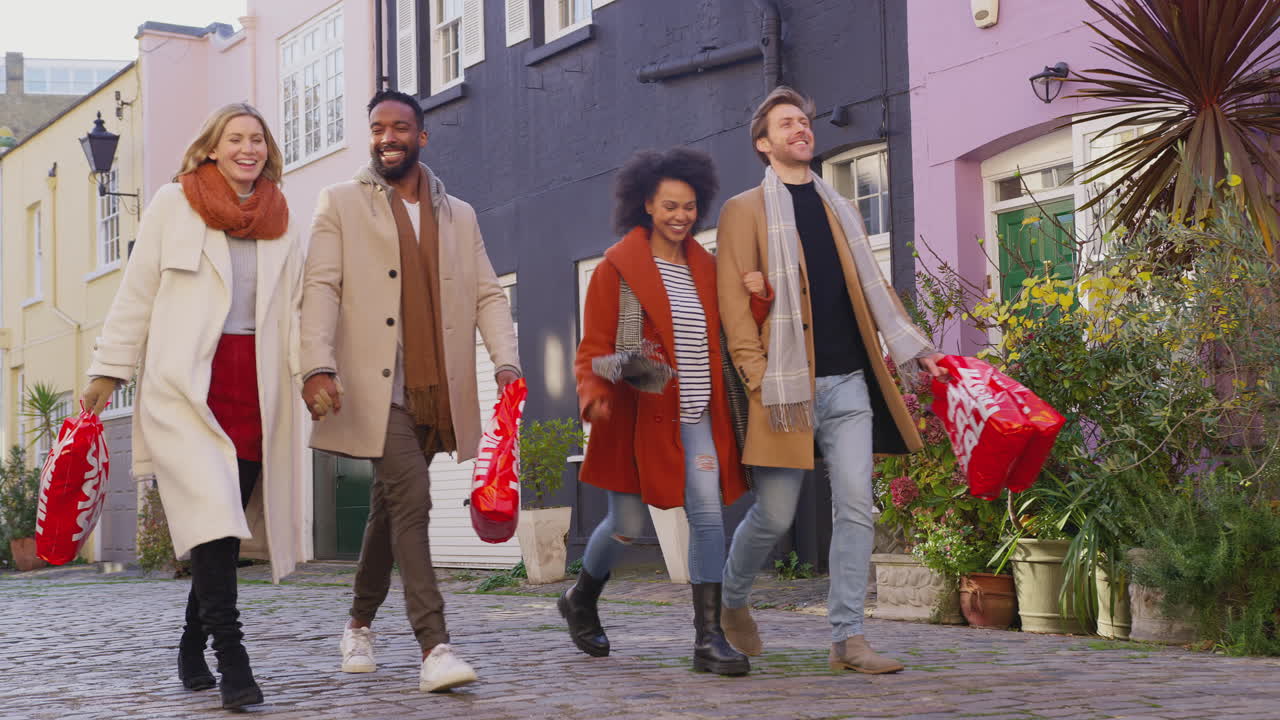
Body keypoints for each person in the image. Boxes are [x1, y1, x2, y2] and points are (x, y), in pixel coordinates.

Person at [81, 103, 307, 710]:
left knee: (221, 533)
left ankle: (189, 645)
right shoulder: (172, 204)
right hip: (186, 388)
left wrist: (315, 371)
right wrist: (107, 371)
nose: (248, 148)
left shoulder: (283, 216)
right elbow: (137, 293)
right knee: (211, 518)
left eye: (257, 139)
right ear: (212, 147)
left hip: (255, 388)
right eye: (236, 138)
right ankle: (234, 662)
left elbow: (300, 311)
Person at [716, 86, 946, 675]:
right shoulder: (744, 210)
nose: (801, 129)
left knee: (856, 508)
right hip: (783, 388)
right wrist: (758, 378)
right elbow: (735, 309)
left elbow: (874, 286)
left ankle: (848, 638)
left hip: (848, 383)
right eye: (786, 124)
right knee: (774, 516)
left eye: (804, 121)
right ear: (763, 143)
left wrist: (918, 352)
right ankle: (731, 600)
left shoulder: (839, 205)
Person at [300, 89, 520, 693]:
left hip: (436, 388)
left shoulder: (460, 214)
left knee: (388, 507)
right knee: (414, 498)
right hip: (373, 388)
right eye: (377, 128)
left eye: (399, 127)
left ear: (421, 137)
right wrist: (315, 364)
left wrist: (505, 361)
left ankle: (358, 625)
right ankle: (435, 646)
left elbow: (486, 292)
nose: (387, 137)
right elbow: (319, 287)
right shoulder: (341, 202)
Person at [564, 147, 751, 676]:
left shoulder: (707, 267)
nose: (681, 216)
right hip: (636, 420)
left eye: (689, 206)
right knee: (626, 524)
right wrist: (592, 393)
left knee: (708, 517)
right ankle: (581, 598)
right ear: (647, 204)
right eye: (670, 205)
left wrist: (758, 297)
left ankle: (708, 639)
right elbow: (593, 349)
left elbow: (734, 326)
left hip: (697, 417)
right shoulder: (615, 269)